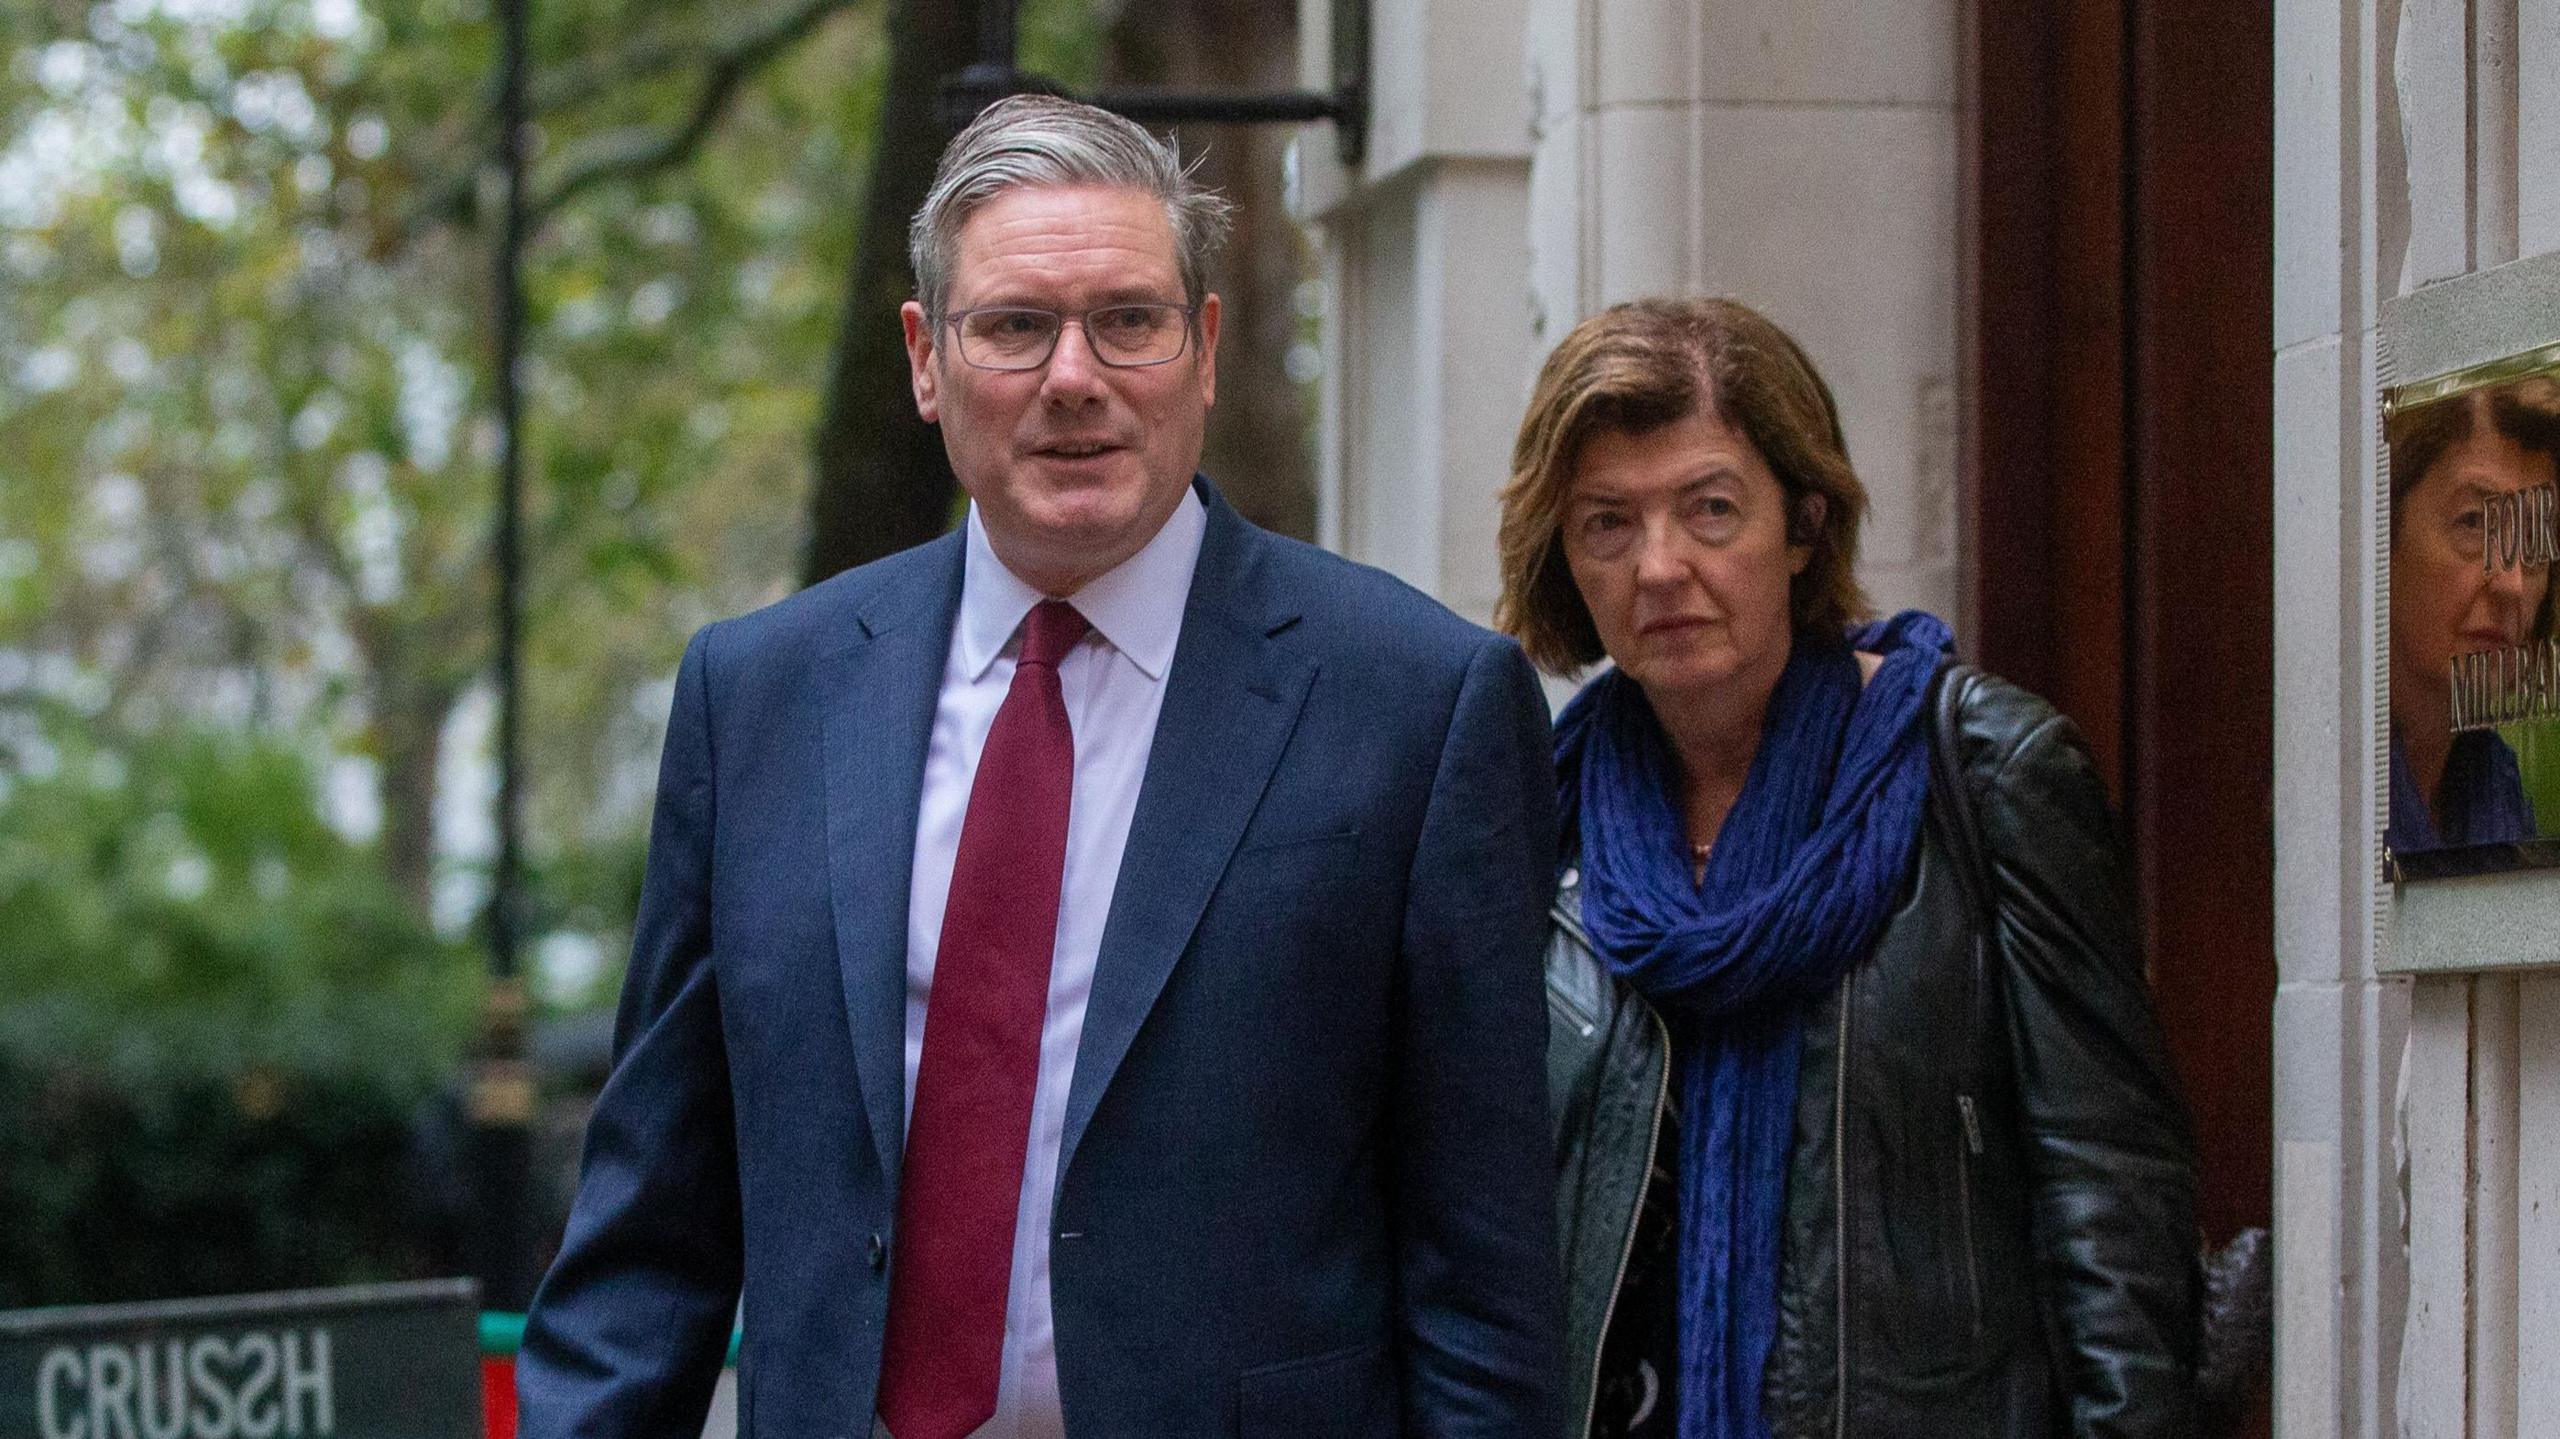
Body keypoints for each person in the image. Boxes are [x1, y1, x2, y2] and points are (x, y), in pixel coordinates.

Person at [516, 95, 1565, 1438]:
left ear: (1203, 348)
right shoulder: (762, 696)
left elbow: (1482, 1275)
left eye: (1129, 319)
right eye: (1016, 326)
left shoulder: (1413, 703)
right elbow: (650, 1230)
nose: (1076, 374)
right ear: (925, 358)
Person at [1497, 297, 2199, 1437]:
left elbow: (2110, 1190)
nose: (1660, 566)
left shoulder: (1985, 776)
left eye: (1710, 509)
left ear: (1804, 522)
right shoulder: (1534, 819)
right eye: (1607, 524)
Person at [2384, 376, 2560, 854]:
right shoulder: (2334, 786)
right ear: (2384, 534)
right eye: (2474, 523)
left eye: (2537, 543)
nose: (2513, 584)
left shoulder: (2494, 778)